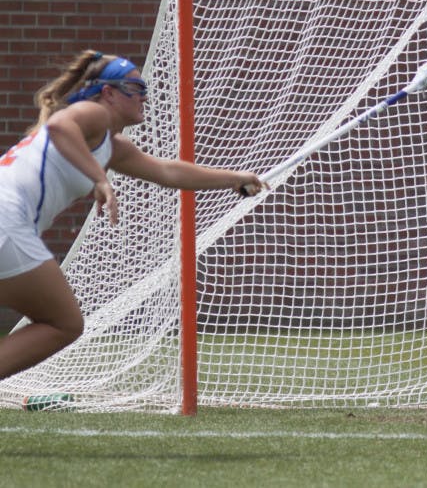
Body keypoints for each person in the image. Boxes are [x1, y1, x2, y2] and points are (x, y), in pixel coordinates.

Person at [0, 50, 266, 380]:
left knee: (61, 322)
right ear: (108, 93)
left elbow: (168, 172)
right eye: (136, 87)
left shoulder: (113, 145)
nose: (144, 95)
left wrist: (234, 178)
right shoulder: (93, 114)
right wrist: (99, 178)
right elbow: (58, 125)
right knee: (63, 323)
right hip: (7, 221)